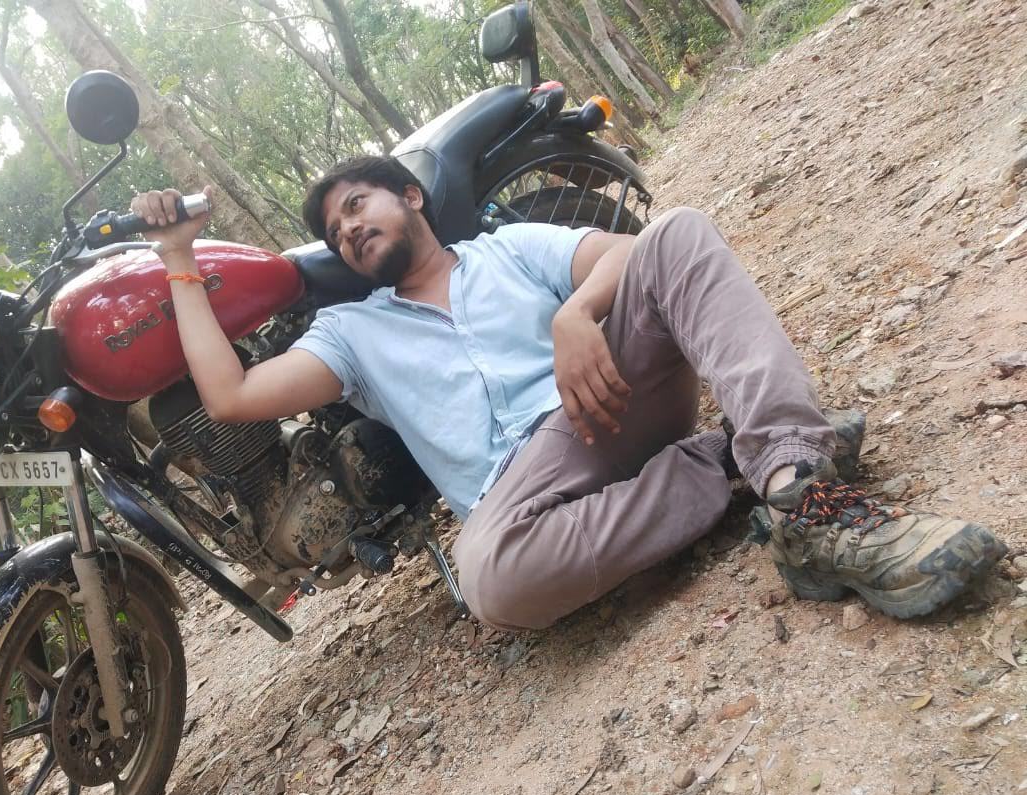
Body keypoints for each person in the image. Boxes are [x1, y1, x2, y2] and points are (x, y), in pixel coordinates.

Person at [129, 157, 1005, 631]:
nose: (350, 229)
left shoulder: (506, 250)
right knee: (492, 581)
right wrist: (177, 258)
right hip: (521, 493)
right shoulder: (353, 334)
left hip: (610, 403)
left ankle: (805, 495)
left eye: (359, 205)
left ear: (411, 196)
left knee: (677, 234)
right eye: (335, 232)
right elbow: (231, 394)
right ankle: (732, 466)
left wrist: (576, 313)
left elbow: (630, 254)